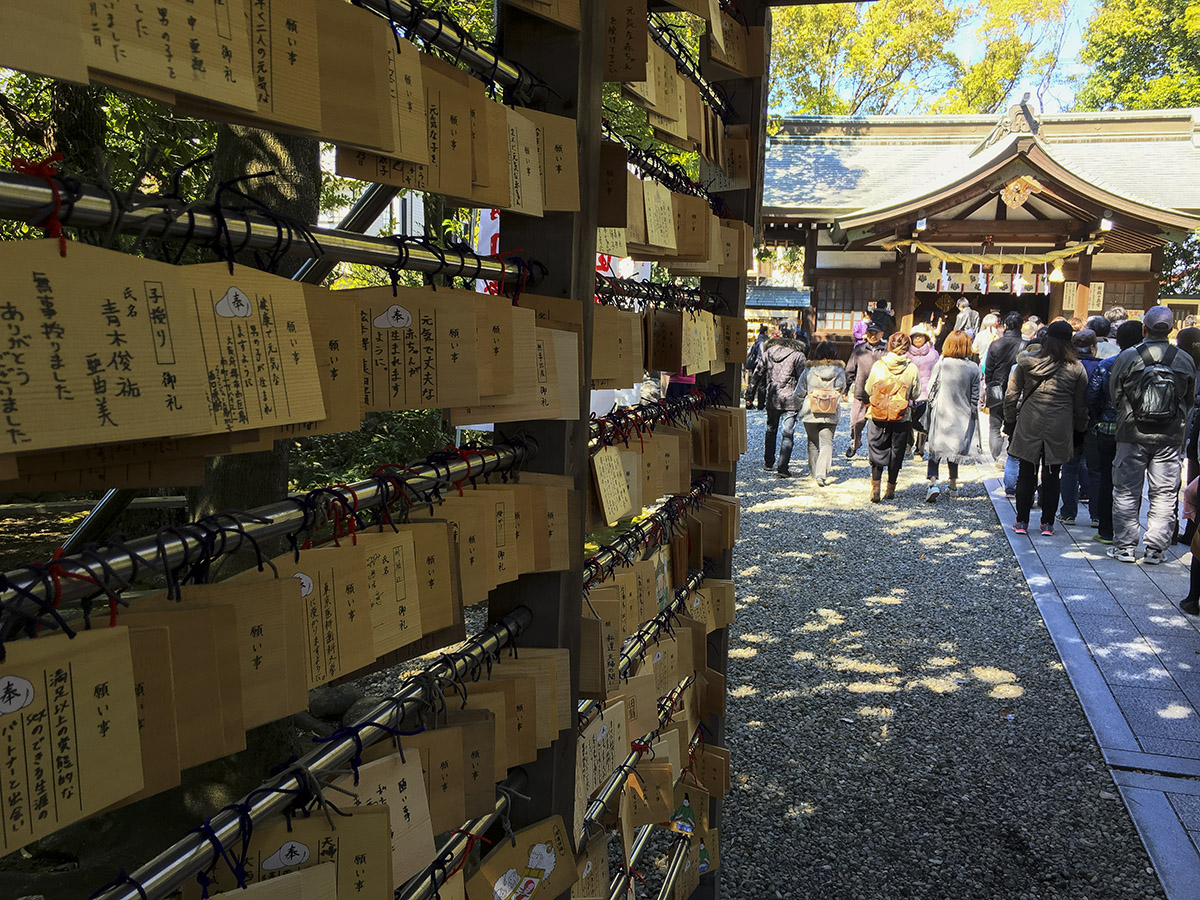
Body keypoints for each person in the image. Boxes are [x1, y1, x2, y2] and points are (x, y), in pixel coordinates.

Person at [1109, 306, 1197, 565]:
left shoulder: (1127, 356)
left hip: (1131, 432)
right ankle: (1155, 549)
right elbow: (1189, 399)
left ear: (1144, 328)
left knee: (1126, 490)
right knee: (1164, 493)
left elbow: (1115, 393)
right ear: (1171, 330)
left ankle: (1125, 547)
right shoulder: (1184, 360)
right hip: (1169, 437)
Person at [1003, 320, 1089, 535]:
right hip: (1059, 425)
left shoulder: (1027, 362)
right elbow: (1080, 405)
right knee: (1052, 474)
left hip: (1029, 421)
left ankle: (1021, 521)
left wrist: (1010, 421)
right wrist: (1079, 429)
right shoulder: (1076, 368)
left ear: (1046, 338)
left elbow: (1011, 396)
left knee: (1026, 472)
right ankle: (1047, 523)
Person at [1086, 320, 1144, 544]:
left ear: (1118, 340)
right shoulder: (1147, 365)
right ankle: (1130, 530)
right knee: (1133, 481)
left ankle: (1106, 530)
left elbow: (1092, 396)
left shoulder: (1108, 364)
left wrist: (1099, 416)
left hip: (1108, 426)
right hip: (1138, 429)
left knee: (1105, 478)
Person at [864, 332, 921, 502]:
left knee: (877, 449)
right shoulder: (911, 368)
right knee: (897, 451)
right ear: (907, 348)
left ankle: (875, 488)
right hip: (901, 416)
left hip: (878, 415)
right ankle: (891, 489)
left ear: (889, 345)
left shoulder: (879, 366)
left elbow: (868, 389)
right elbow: (916, 394)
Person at [924, 330, 980, 501]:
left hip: (942, 411)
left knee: (935, 449)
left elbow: (931, 388)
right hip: (962, 414)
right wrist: (971, 410)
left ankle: (933, 484)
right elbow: (976, 395)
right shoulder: (973, 368)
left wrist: (931, 404)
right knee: (954, 451)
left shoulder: (942, 364)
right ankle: (953, 485)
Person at [1058, 329, 1105, 525]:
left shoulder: (1066, 367)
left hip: (1070, 423)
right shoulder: (1102, 366)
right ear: (1093, 347)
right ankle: (1096, 514)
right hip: (1095, 423)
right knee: (1096, 470)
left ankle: (1068, 512)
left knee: (1069, 467)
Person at [794, 340, 846, 486]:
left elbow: (799, 392)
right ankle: (821, 474)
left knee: (812, 442)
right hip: (831, 411)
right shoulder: (839, 371)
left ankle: (813, 472)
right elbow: (842, 389)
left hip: (810, 411)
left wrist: (798, 407)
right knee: (827, 443)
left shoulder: (809, 370)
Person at [762, 321, 807, 477]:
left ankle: (768, 462)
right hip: (790, 399)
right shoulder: (798, 355)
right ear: (794, 335)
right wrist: (803, 397)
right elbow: (802, 379)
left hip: (773, 396)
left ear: (779, 333)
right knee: (787, 433)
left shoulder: (768, 351)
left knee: (770, 430)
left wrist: (749, 395)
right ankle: (782, 468)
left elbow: (757, 372)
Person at [984, 312, 1024, 463]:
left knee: (994, 426)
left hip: (997, 387)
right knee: (1013, 424)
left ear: (1005, 326)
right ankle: (1005, 455)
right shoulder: (1025, 345)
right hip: (1017, 390)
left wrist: (990, 385)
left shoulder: (996, 344)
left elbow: (988, 369)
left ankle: (996, 457)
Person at [844, 320, 887, 457]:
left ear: (882, 334)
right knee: (855, 422)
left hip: (881, 394)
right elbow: (850, 370)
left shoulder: (887, 350)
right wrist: (845, 389)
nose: (872, 336)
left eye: (876, 333)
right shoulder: (859, 350)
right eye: (870, 332)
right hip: (861, 392)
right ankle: (855, 443)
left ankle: (875, 452)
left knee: (878, 425)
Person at [907, 323, 940, 457]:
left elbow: (938, 372)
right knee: (908, 420)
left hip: (926, 392)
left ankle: (919, 451)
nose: (918, 339)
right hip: (909, 392)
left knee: (923, 422)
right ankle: (908, 444)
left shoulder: (933, 354)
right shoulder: (906, 354)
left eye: (920, 337)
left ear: (926, 338)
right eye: (915, 337)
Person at [744, 325, 769, 409]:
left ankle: (749, 402)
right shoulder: (763, 342)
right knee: (761, 385)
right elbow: (762, 355)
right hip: (761, 365)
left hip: (755, 364)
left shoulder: (758, 340)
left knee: (753, 383)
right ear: (765, 332)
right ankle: (760, 404)